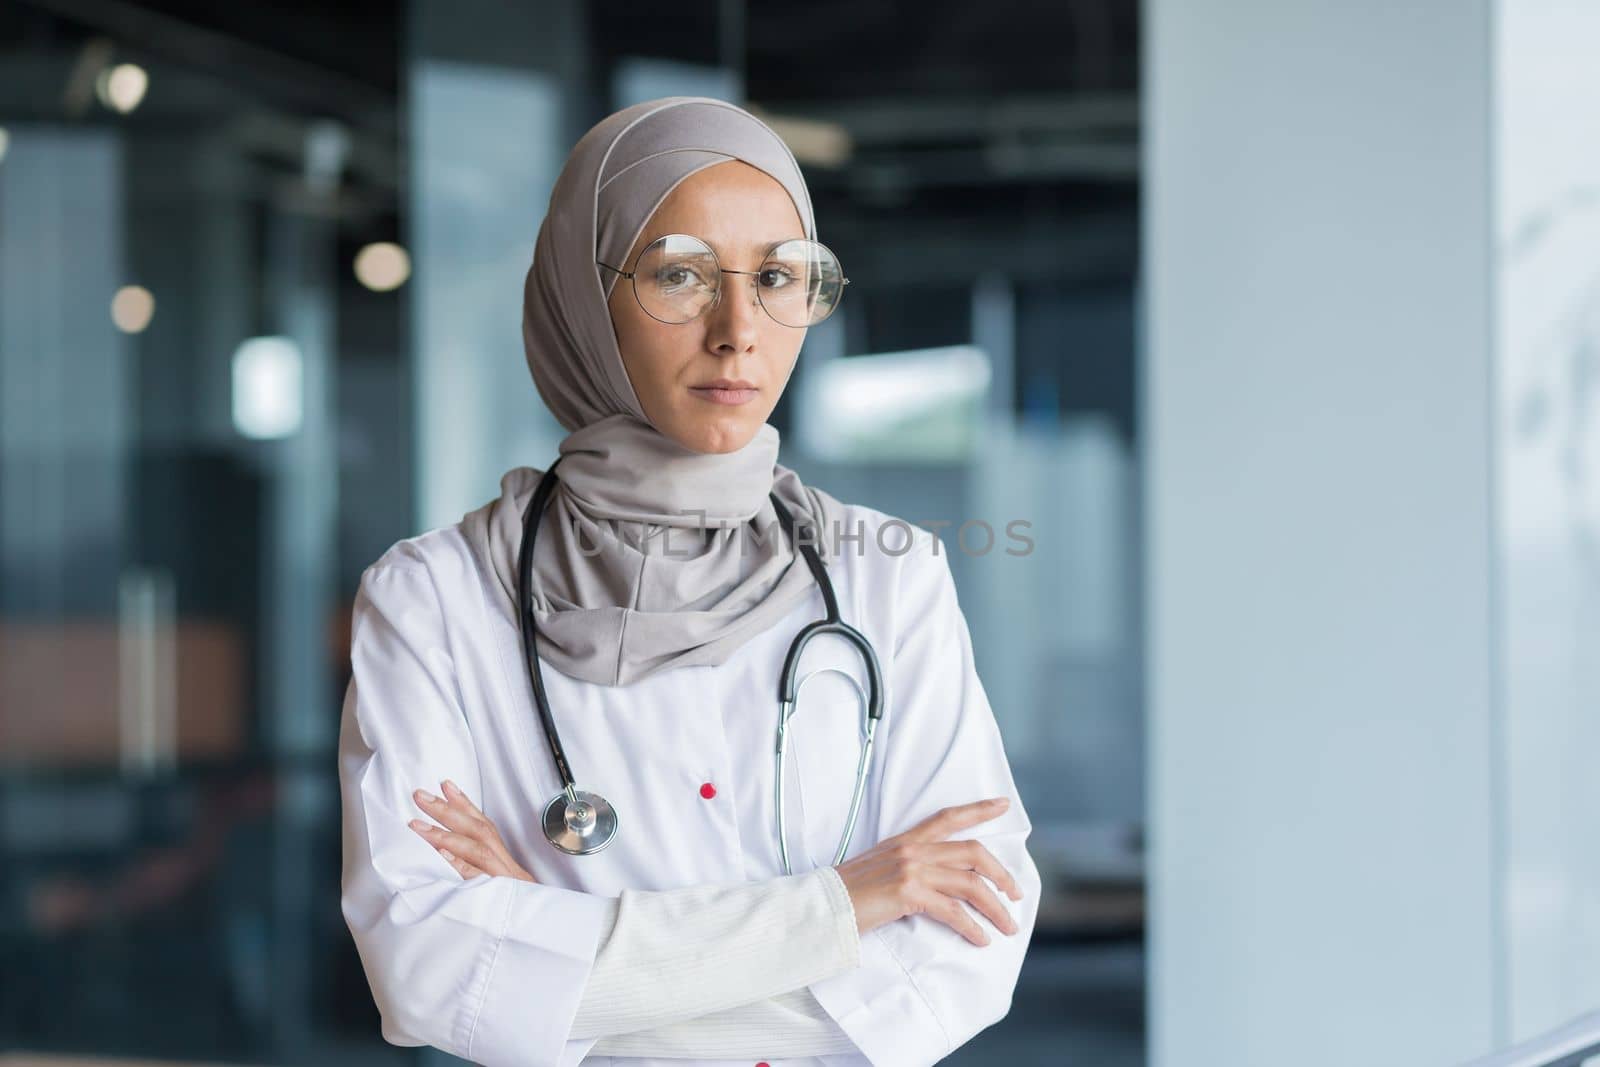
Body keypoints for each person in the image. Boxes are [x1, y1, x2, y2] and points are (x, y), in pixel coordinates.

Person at [337, 96, 1041, 1067]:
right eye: (679, 273)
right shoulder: (435, 598)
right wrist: (848, 902)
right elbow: (430, 969)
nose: (738, 329)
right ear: (585, 297)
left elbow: (967, 954)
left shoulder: (889, 575)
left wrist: (552, 944)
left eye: (779, 277)